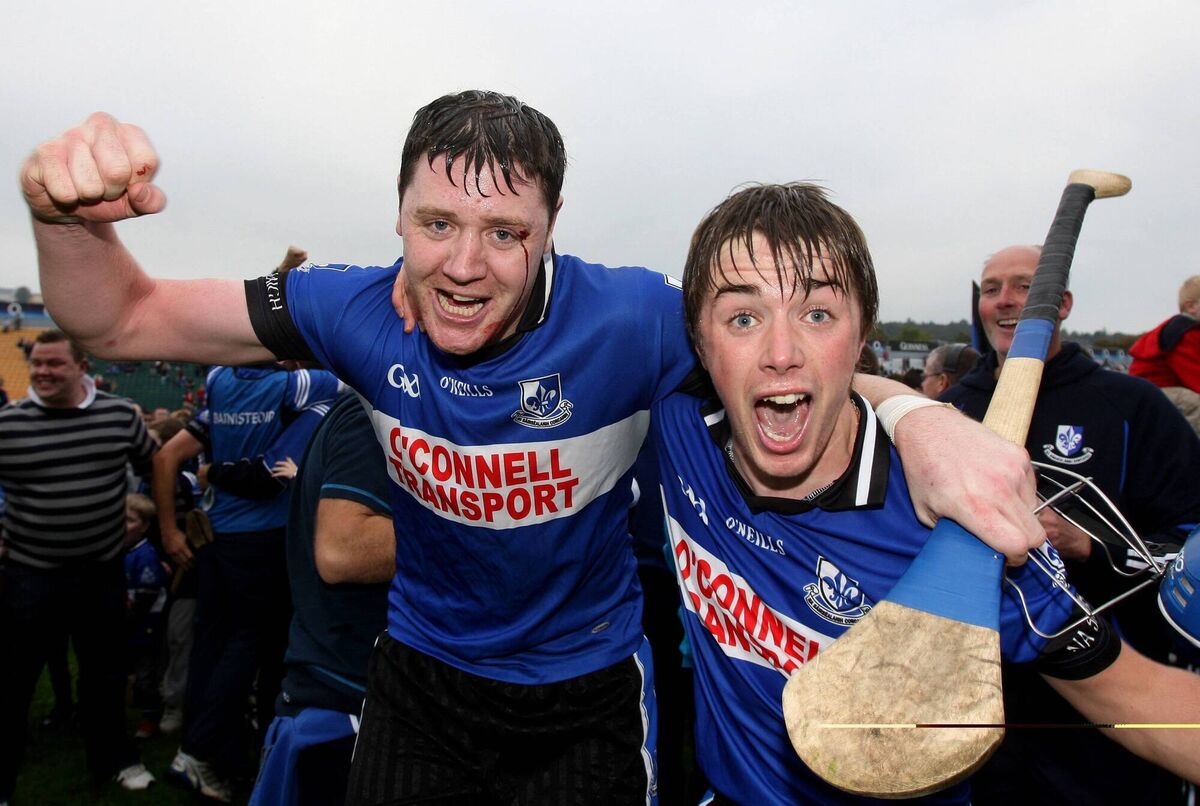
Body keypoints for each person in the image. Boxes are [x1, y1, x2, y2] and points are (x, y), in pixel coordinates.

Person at [24, 93, 1050, 803]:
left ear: (552, 228)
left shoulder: (633, 317)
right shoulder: (350, 309)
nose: (463, 266)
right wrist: (60, 216)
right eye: (436, 224)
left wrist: (922, 417)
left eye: (504, 232)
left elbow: (781, 357)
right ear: (399, 218)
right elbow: (120, 320)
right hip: (421, 676)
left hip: (588, 694)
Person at [654, 183, 1200, 804]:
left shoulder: (961, 526)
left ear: (862, 340)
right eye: (744, 318)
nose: (781, 354)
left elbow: (1140, 702)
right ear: (700, 342)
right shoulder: (679, 427)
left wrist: (915, 414)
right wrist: (917, 410)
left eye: (818, 315)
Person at [940, 244, 1200, 805]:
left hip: (1110, 715)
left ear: (1063, 304)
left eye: (1025, 287)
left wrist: (1085, 544)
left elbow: (1190, 545)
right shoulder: (950, 410)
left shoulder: (1133, 405)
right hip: (979, 715)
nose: (1006, 302)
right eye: (991, 289)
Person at [152, 365, 339, 802]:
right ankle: (202, 753)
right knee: (255, 647)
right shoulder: (306, 384)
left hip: (218, 540)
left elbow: (166, 456)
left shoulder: (220, 378)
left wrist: (172, 527)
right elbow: (270, 477)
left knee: (212, 648)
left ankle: (217, 753)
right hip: (265, 541)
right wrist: (213, 474)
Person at [0, 329, 158, 800]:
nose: (43, 372)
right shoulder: (9, 424)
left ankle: (115, 761)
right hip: (29, 576)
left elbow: (155, 468)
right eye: (37, 364)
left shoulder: (118, 417)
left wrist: (147, 526)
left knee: (104, 676)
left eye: (54, 364)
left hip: (99, 574)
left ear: (81, 367)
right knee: (13, 681)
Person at [248, 392, 394, 806]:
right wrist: (488, 527)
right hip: (350, 695)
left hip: (364, 684)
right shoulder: (375, 411)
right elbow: (342, 551)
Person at [122, 493, 170, 739]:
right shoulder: (122, 552)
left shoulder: (146, 555)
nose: (123, 526)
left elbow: (146, 596)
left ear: (145, 526)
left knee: (146, 674)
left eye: (130, 520)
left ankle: (151, 716)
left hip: (146, 626)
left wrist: (128, 618)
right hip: (128, 625)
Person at [1129, 275, 1200, 432]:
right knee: (1196, 405)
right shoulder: (1184, 332)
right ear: (1191, 307)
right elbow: (1193, 374)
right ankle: (1192, 449)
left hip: (1159, 388)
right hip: (1153, 388)